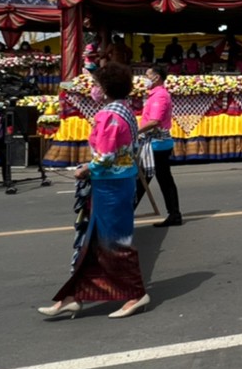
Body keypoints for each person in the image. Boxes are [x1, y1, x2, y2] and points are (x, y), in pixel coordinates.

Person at [39, 62, 151, 319]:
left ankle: (135, 294)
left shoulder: (109, 115)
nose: (94, 89)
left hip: (111, 185)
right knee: (94, 241)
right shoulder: (125, 110)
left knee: (115, 241)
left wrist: (86, 168)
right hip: (118, 181)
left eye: (97, 85)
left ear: (106, 88)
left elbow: (105, 156)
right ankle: (73, 296)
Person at [136, 64, 183, 227]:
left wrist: (134, 132)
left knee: (142, 180)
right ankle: (174, 214)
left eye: (147, 76)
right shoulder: (155, 94)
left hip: (156, 145)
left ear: (156, 77)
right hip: (156, 144)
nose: (145, 79)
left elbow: (154, 121)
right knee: (162, 179)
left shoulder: (160, 96)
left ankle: (124, 215)